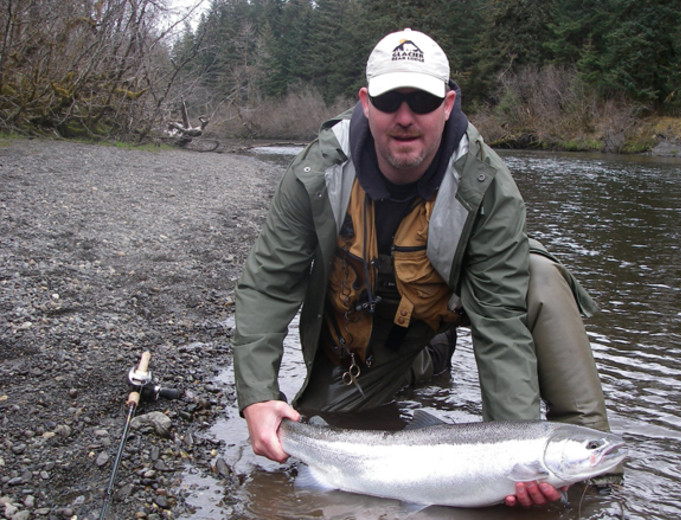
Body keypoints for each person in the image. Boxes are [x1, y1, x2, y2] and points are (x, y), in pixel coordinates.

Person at [233, 28, 615, 508]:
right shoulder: (316, 172)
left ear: (449, 104)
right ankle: (428, 361)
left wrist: (518, 461)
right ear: (366, 103)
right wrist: (256, 395)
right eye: (392, 100)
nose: (406, 117)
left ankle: (590, 462)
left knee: (539, 275)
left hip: (452, 303)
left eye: (423, 100)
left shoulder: (487, 183)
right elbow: (268, 286)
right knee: (327, 435)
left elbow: (500, 324)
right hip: (373, 337)